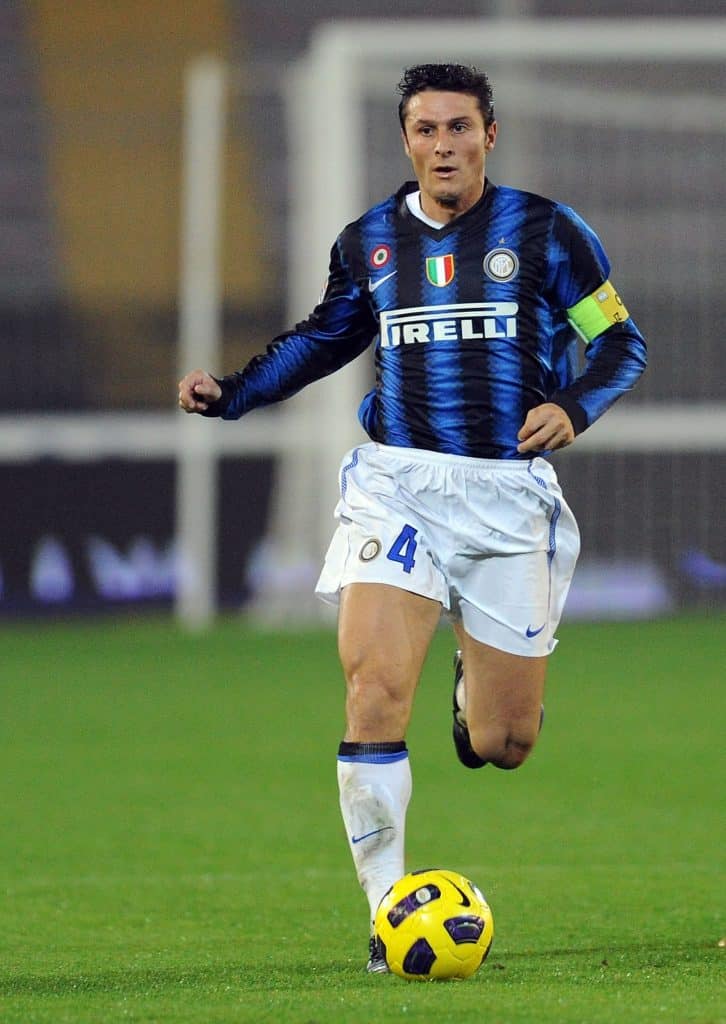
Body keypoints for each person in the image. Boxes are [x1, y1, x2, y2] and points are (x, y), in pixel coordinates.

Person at [178, 63, 647, 973]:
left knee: (505, 744)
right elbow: (323, 339)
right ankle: (386, 912)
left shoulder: (548, 232)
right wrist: (232, 394)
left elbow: (620, 340)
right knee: (373, 690)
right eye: (427, 130)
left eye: (460, 128)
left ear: (490, 136)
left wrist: (577, 407)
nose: (444, 145)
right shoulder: (369, 243)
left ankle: (478, 690)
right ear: (406, 141)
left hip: (508, 496)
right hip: (396, 485)